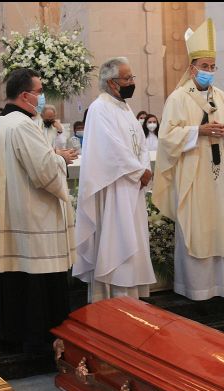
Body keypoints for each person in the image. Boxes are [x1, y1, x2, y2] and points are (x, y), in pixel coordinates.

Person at [0, 68, 77, 354]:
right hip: (34, 217)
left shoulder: (1, 122)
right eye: (39, 92)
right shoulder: (23, 125)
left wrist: (52, 155)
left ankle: (14, 333)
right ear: (25, 95)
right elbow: (44, 171)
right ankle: (40, 339)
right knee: (38, 279)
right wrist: (61, 160)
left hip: (14, 211)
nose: (42, 97)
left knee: (18, 278)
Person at [153, 19, 224, 301]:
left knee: (219, 225)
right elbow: (167, 137)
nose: (209, 71)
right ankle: (195, 288)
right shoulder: (178, 98)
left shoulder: (221, 96)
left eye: (212, 66)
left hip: (219, 175)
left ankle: (221, 287)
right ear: (192, 68)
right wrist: (198, 131)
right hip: (192, 173)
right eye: (204, 66)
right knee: (196, 226)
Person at [73, 57, 155, 302]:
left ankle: (132, 301)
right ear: (111, 82)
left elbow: (140, 143)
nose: (132, 82)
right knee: (116, 241)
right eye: (127, 78)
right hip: (115, 187)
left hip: (133, 186)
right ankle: (114, 302)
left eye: (132, 77)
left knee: (133, 238)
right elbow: (111, 148)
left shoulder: (125, 107)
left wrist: (144, 168)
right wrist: (139, 171)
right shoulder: (99, 108)